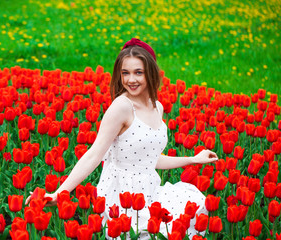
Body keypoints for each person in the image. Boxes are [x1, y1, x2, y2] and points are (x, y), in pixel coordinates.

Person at [26, 38, 218, 238]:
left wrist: (192, 159)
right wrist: (60, 193)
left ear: (151, 73)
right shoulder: (122, 107)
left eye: (138, 72)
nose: (130, 80)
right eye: (125, 73)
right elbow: (94, 155)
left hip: (150, 191)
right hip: (122, 199)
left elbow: (149, 159)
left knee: (192, 211)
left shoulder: (157, 107)